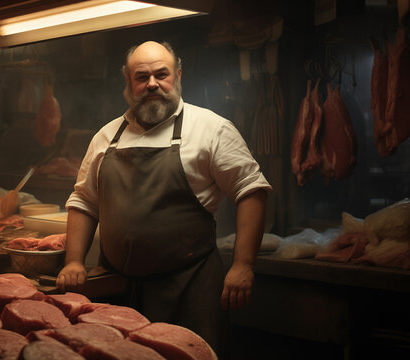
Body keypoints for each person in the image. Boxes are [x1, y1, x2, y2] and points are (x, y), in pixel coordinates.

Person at [56, 40, 272, 354]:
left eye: (162, 74)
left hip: (189, 290)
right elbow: (84, 202)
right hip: (118, 290)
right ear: (128, 82)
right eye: (141, 77)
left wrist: (243, 265)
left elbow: (250, 189)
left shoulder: (210, 129)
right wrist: (74, 261)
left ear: (178, 75)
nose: (152, 84)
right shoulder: (106, 137)